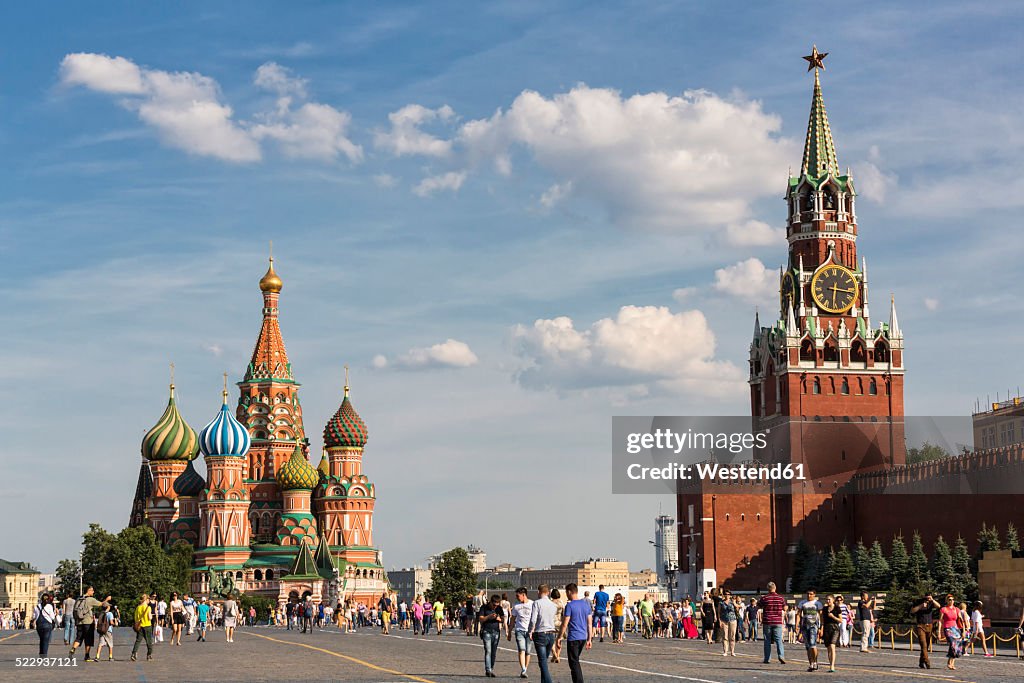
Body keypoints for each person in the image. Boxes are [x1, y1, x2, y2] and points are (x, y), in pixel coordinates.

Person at [559, 583, 593, 683]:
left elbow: (565, 624)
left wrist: (559, 637)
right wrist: (589, 639)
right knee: (575, 661)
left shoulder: (569, 605)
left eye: (566, 592)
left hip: (573, 637)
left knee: (573, 662)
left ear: (569, 592)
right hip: (583, 637)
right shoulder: (586, 605)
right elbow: (589, 624)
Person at [69, 585, 111, 662]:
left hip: (79, 622)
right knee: (88, 639)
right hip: (88, 622)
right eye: (92, 590)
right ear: (88, 591)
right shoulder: (90, 599)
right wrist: (107, 599)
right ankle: (87, 656)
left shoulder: (79, 599)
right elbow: (102, 604)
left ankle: (72, 650)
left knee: (79, 638)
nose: (93, 592)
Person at [528, 584, 558, 683]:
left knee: (543, 662)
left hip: (540, 633)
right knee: (544, 661)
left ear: (538, 592)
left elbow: (533, 620)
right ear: (548, 592)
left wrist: (530, 631)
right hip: (551, 634)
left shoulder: (537, 603)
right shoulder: (554, 605)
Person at [506, 587, 533, 679]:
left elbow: (536, 618)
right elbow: (513, 619)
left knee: (528, 652)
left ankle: (525, 668)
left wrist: (534, 630)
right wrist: (509, 632)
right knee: (522, 650)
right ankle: (523, 669)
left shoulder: (532, 604)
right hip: (519, 630)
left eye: (518, 596)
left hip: (529, 631)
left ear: (524, 595)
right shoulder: (516, 605)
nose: (517, 597)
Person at [478, 594, 506, 678]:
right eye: (494, 605)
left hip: (496, 632)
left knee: (493, 652)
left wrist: (499, 619)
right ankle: (488, 670)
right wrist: (489, 617)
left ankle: (491, 668)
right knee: (488, 651)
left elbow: (503, 619)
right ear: (490, 602)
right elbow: (481, 619)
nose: (495, 607)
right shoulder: (484, 607)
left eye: (497, 605)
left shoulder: (499, 608)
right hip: (486, 631)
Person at [758, 581, 787, 664]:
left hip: (767, 621)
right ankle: (781, 656)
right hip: (777, 621)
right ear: (775, 588)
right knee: (778, 640)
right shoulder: (781, 598)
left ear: (768, 589)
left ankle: (767, 658)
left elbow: (759, 606)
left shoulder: (765, 598)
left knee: (767, 640)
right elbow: (784, 608)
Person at [910, 593, 940, 669]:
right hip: (920, 626)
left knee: (926, 646)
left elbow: (938, 606)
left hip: (929, 626)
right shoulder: (918, 602)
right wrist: (920, 606)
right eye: (926, 598)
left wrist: (932, 600)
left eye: (928, 598)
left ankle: (921, 662)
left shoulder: (931, 602)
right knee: (923, 644)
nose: (927, 599)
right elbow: (912, 611)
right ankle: (927, 662)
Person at [797, 589, 823, 672]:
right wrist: (797, 625)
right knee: (807, 646)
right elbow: (798, 614)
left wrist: (821, 627)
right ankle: (811, 664)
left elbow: (821, 616)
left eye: (811, 594)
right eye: (808, 594)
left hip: (814, 626)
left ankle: (815, 662)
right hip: (804, 626)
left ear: (814, 595)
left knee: (813, 644)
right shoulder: (802, 603)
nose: (809, 595)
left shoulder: (818, 604)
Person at [940, 594, 965, 670]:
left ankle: (952, 663)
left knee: (957, 645)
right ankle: (949, 662)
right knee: (952, 643)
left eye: (953, 599)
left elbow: (961, 620)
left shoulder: (956, 609)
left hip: (955, 628)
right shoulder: (943, 609)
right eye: (949, 599)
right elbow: (940, 621)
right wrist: (939, 632)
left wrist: (963, 631)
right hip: (947, 628)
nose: (951, 601)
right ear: (947, 601)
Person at [130, 593, 154, 662]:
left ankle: (133, 654)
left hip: (140, 627)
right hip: (147, 626)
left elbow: (136, 618)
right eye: (148, 599)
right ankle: (149, 655)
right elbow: (150, 618)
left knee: (138, 641)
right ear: (146, 599)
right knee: (149, 641)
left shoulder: (138, 607)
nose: (149, 600)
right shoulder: (148, 607)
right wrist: (152, 616)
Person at [822, 594, 842, 673]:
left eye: (829, 599)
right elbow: (823, 620)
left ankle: (832, 666)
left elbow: (840, 620)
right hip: (827, 628)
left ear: (833, 600)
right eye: (826, 599)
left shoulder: (837, 608)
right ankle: (830, 664)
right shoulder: (824, 609)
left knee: (833, 646)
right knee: (829, 648)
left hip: (835, 628)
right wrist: (821, 628)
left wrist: (833, 616)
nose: (827, 601)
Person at [719, 589, 738, 656]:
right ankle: (725, 651)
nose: (727, 596)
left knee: (732, 636)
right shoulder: (721, 602)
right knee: (725, 636)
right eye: (726, 594)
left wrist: (735, 603)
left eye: (728, 594)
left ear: (730, 595)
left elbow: (738, 607)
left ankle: (732, 651)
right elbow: (719, 612)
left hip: (733, 620)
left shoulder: (732, 601)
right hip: (724, 620)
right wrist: (719, 620)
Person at [550, 588, 566, 663]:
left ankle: (554, 654)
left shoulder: (550, 603)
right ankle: (558, 656)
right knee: (559, 640)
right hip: (559, 622)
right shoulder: (561, 603)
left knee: (551, 640)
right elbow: (564, 613)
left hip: (551, 622)